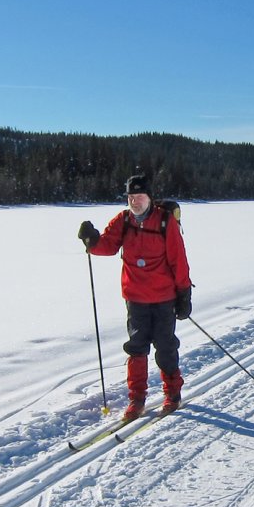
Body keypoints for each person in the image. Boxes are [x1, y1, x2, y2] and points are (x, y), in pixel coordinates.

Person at [78, 174, 192, 420]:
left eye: (139, 196)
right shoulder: (124, 220)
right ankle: (136, 399)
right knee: (136, 349)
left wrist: (184, 294)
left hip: (163, 298)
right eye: (131, 197)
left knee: (165, 347)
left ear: (149, 197)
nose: (135, 201)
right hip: (135, 298)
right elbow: (107, 245)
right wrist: (91, 241)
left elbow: (178, 259)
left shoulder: (164, 221)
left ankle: (173, 393)